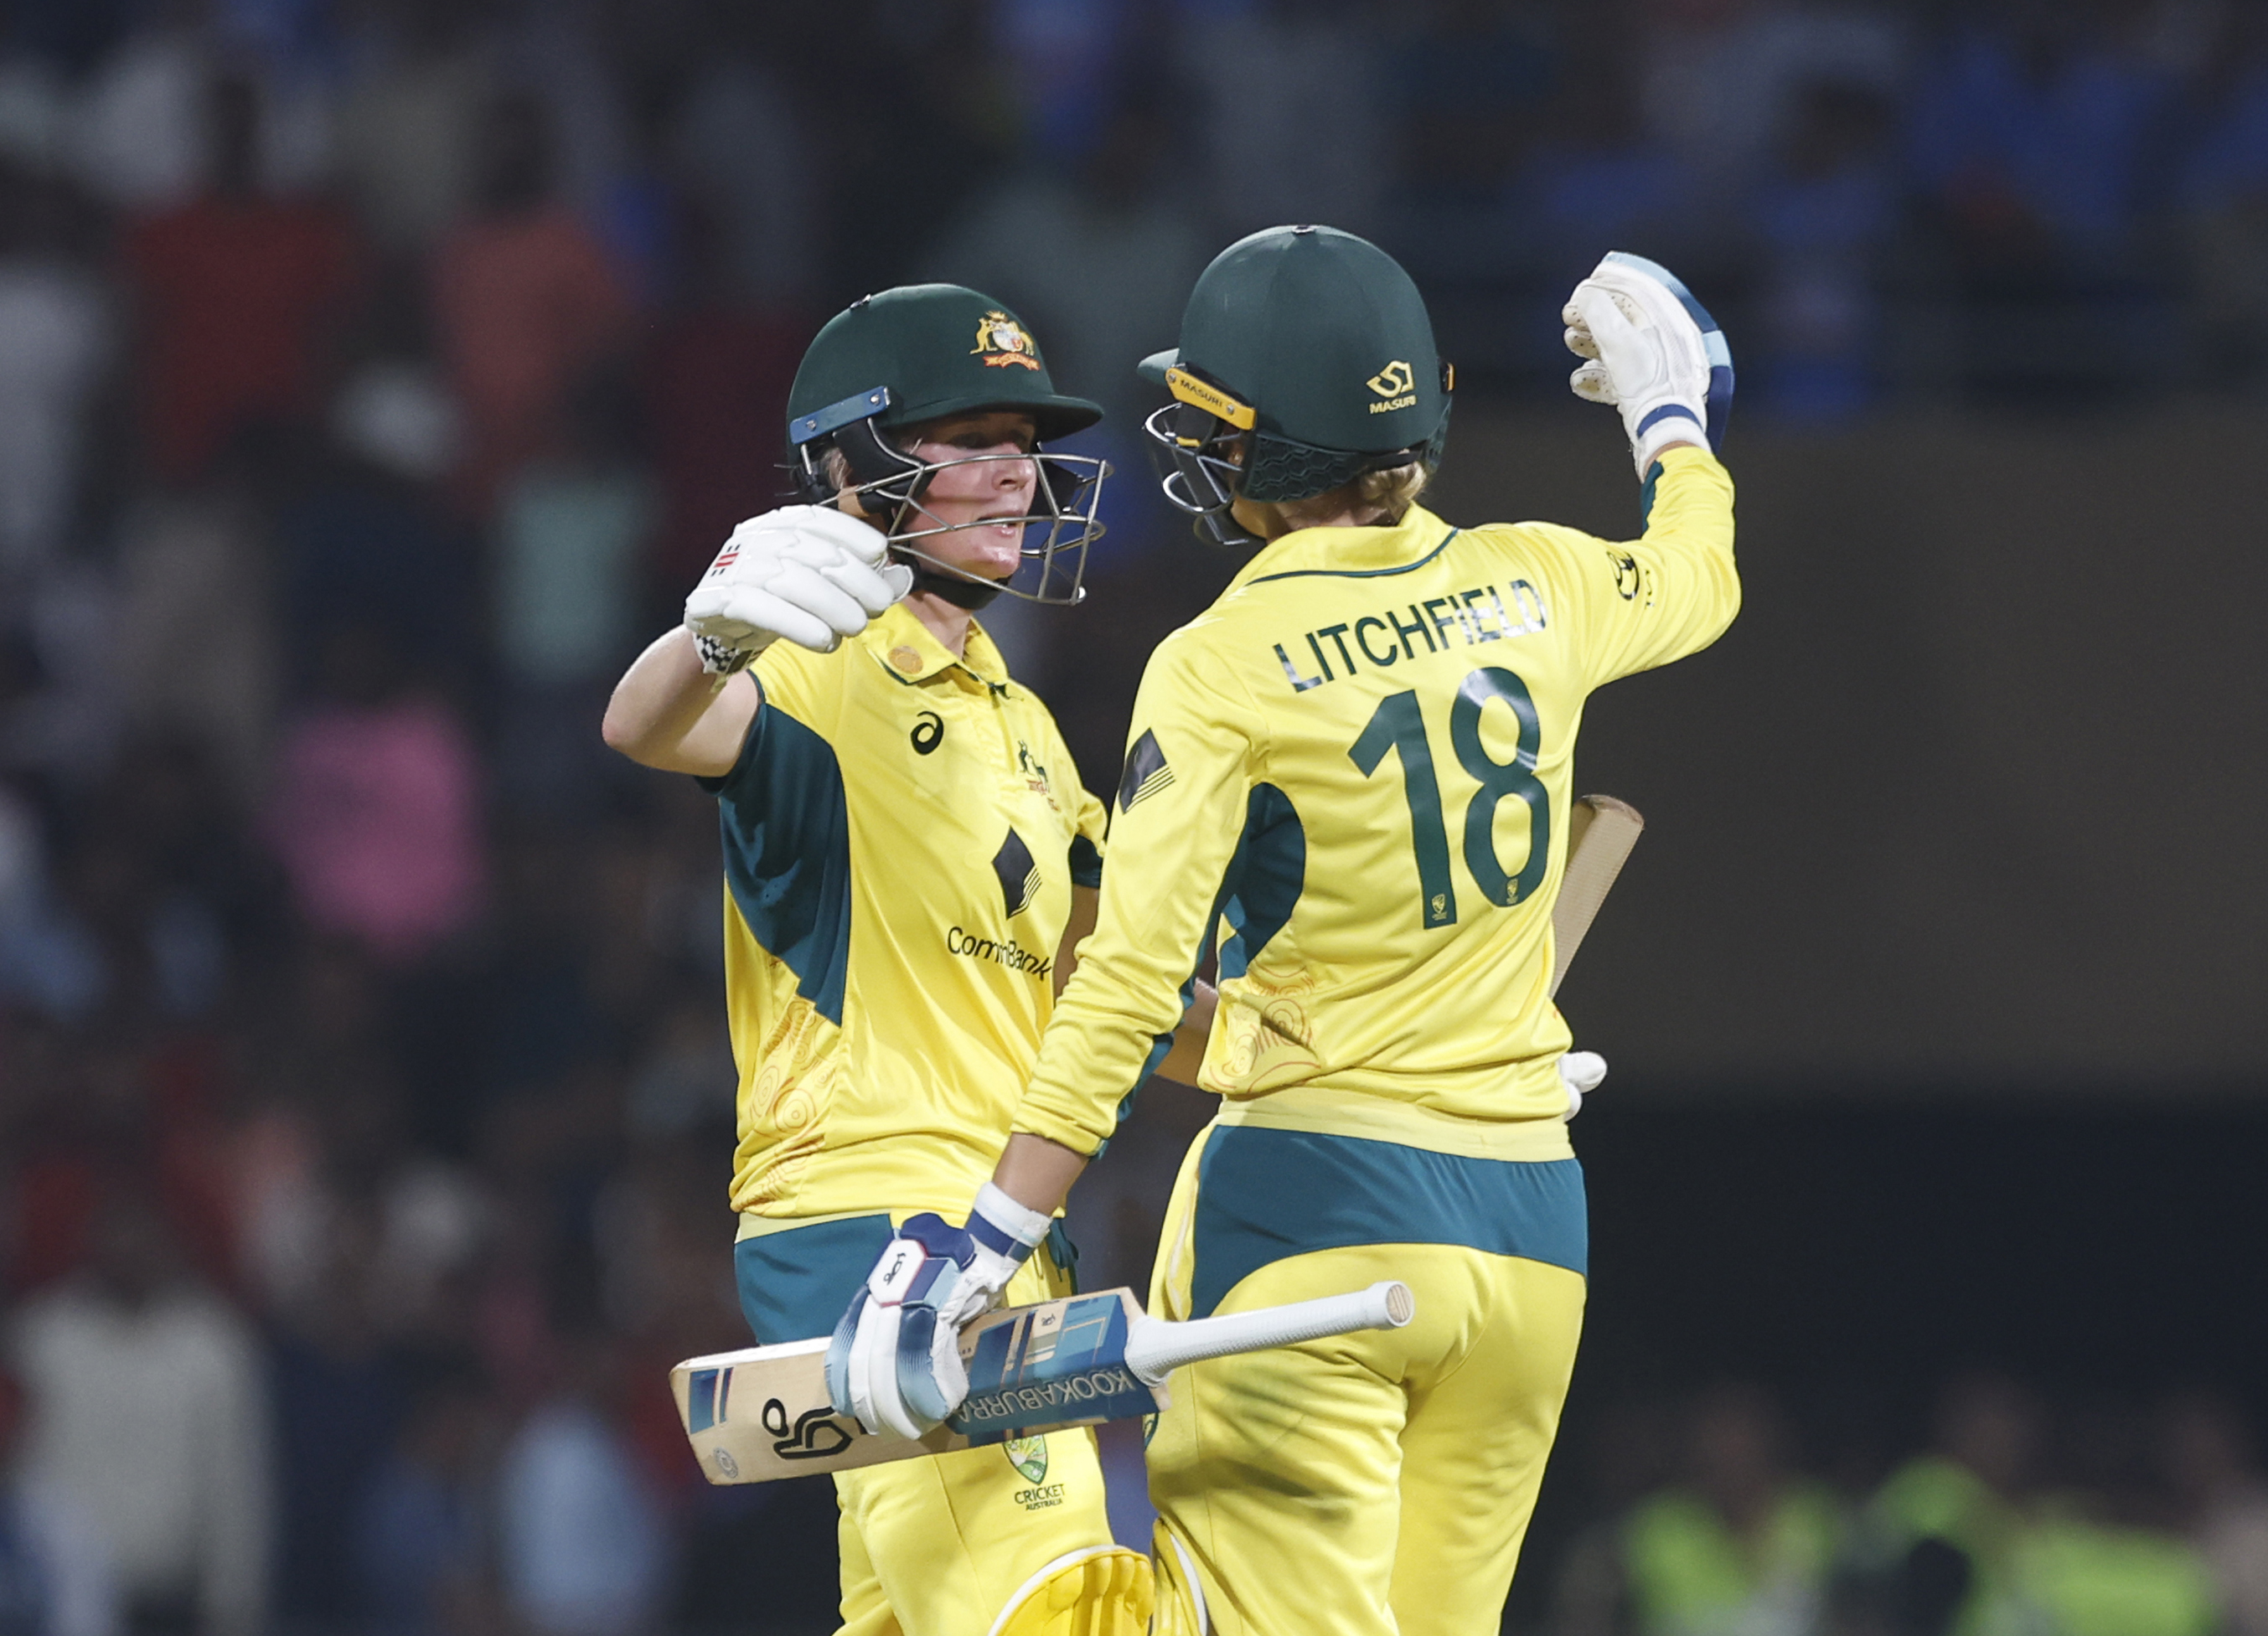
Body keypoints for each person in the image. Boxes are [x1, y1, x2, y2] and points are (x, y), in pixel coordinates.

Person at [836, 225, 1741, 1633]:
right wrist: (1675, 425)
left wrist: (990, 1235)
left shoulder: (1217, 666)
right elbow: (1699, 575)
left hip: (1311, 1213)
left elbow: (1130, 984)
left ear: (1240, 448)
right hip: (1527, 1229)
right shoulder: (1544, 583)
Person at [602, 283, 1200, 1634]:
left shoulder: (1033, 727)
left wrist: (1399, 1046)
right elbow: (646, 726)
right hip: (872, 1223)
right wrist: (714, 627)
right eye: (969, 436)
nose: (1014, 473)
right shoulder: (808, 666)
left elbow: (1126, 998)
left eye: (1022, 441)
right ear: (845, 467)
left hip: (1001, 1235)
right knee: (1075, 1600)